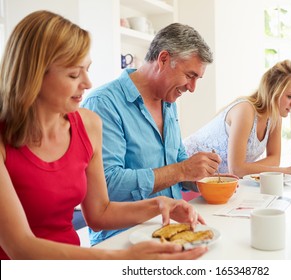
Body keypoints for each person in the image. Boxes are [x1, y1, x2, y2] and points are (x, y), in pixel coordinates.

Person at [0, 10, 207, 260]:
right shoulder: (7, 140)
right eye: (74, 74)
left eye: (87, 70)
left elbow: (99, 213)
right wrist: (119, 259)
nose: (88, 82)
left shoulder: (87, 125)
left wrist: (160, 204)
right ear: (34, 76)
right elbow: (20, 247)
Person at [81, 23, 221, 245]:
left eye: (197, 79)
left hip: (172, 231)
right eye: (190, 75)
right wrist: (182, 170)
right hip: (122, 239)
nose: (192, 87)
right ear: (163, 59)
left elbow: (177, 160)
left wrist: (201, 177)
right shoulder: (103, 104)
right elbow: (108, 184)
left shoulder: (169, 102)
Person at [184, 60, 291, 178]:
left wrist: (246, 168)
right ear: (273, 92)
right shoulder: (245, 110)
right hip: (185, 171)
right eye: (290, 96)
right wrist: (288, 171)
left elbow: (274, 159)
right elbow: (237, 169)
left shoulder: (275, 117)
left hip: (215, 181)